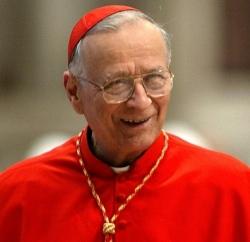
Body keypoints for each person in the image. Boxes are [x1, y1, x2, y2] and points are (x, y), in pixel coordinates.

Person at [0, 5, 249, 242]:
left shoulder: (233, 189)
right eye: (117, 83)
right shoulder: (14, 195)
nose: (141, 101)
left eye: (155, 78)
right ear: (74, 92)